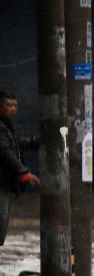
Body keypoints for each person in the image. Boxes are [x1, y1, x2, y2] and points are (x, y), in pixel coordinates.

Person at [0, 91, 40, 246]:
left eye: (15, 106)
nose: (13, 109)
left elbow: (14, 144)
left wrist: (35, 141)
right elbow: (4, 151)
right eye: (8, 105)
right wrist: (24, 172)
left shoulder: (5, 126)